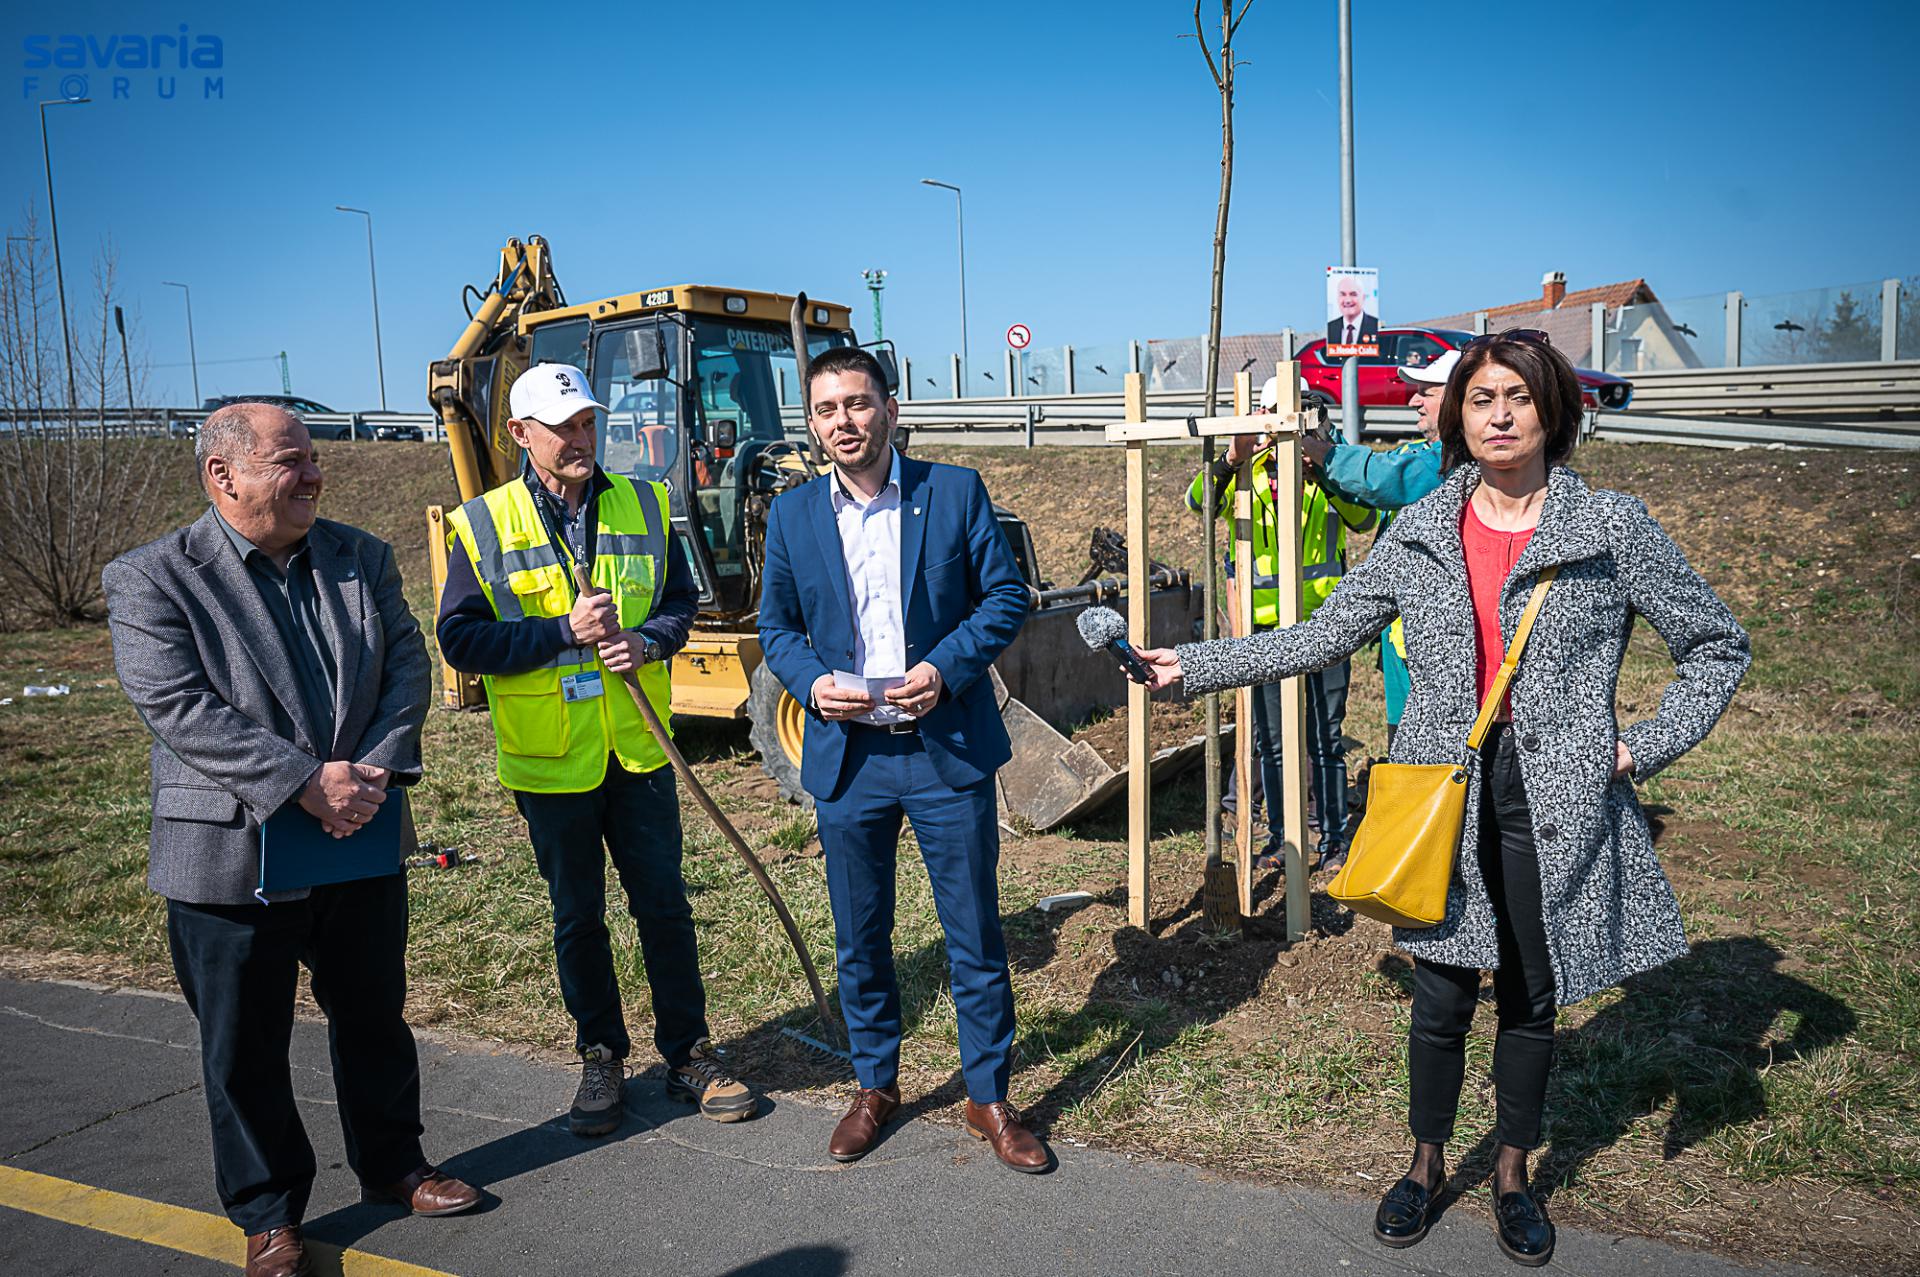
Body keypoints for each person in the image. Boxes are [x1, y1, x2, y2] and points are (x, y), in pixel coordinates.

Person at [1136, 331, 1749, 1267]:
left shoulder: (1611, 527)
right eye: (1481, 399)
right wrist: (1195, 666)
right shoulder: (1421, 527)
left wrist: (1641, 745)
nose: (1500, 416)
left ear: (1553, 412)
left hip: (1554, 795)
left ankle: (1511, 1173)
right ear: (1458, 416)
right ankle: (1424, 1165)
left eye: (1519, 397)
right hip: (1442, 791)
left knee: (1532, 990)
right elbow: (1322, 634)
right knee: (1440, 989)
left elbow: (1716, 644)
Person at [104, 402, 481, 1277]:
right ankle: (269, 1211)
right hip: (231, 851)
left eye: (313, 457)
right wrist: (306, 782)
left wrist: (369, 773)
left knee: (374, 1014)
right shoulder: (153, 577)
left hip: (357, 834)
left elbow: (408, 664)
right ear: (223, 475)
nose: (314, 474)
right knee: (242, 1045)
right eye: (290, 461)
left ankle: (394, 1163)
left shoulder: (362, 556)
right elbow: (178, 705)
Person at [438, 363, 756, 1137]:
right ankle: (601, 1056)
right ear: (521, 434)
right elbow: (461, 640)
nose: (581, 438)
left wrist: (647, 642)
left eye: (587, 422)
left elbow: (680, 603)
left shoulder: (645, 503)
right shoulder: (484, 522)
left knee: (664, 906)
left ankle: (689, 1054)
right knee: (578, 915)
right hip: (551, 762)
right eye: (563, 428)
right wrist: (561, 633)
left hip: (639, 751)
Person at [757, 347, 1045, 1173]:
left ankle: (988, 1096)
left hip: (943, 750)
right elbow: (776, 627)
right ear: (813, 424)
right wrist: (812, 685)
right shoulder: (793, 515)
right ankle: (874, 1085)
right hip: (850, 758)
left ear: (889, 408)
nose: (843, 422)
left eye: (857, 403)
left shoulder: (952, 492)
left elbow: (1005, 596)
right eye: (826, 410)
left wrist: (944, 668)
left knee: (974, 934)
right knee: (861, 936)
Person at [1188, 376, 1377, 873]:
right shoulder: (1245, 471)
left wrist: (1325, 467)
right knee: (1270, 741)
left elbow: (1364, 519)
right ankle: (1280, 838)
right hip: (1266, 629)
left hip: (1328, 623)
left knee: (1326, 739)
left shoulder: (1331, 464)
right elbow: (1199, 503)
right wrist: (1231, 458)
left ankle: (1333, 841)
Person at [1305, 350, 1453, 742]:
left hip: (1435, 643)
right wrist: (1326, 433)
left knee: (1431, 752)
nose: (1414, 400)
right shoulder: (1416, 454)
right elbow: (1367, 485)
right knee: (1402, 744)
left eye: (1427, 392)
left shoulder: (1453, 462)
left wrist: (1323, 453)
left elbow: (1384, 481)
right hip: (1400, 633)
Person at [1327, 275, 1380, 347]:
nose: (1348, 300)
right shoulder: (1330, 328)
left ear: (1363, 297)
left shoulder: (1375, 326)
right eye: (1343, 294)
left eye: (1353, 294)